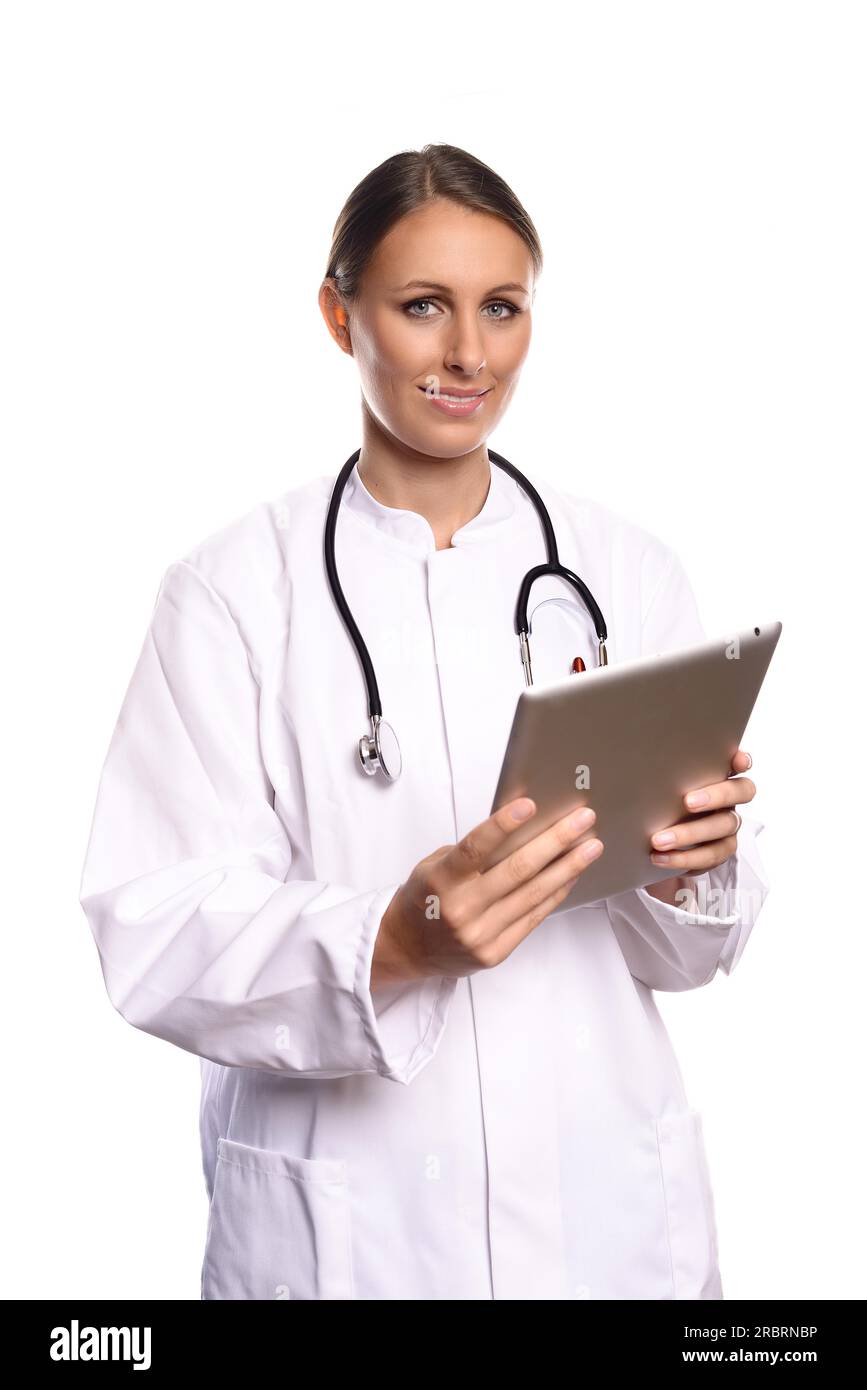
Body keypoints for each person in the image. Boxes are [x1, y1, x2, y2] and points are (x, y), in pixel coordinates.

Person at [79, 143, 768, 1301]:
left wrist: (690, 870)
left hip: (605, 1223)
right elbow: (151, 928)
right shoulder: (234, 593)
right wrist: (395, 941)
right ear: (339, 314)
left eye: (502, 308)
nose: (469, 354)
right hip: (354, 1235)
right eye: (422, 307)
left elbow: (696, 954)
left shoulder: (625, 572)